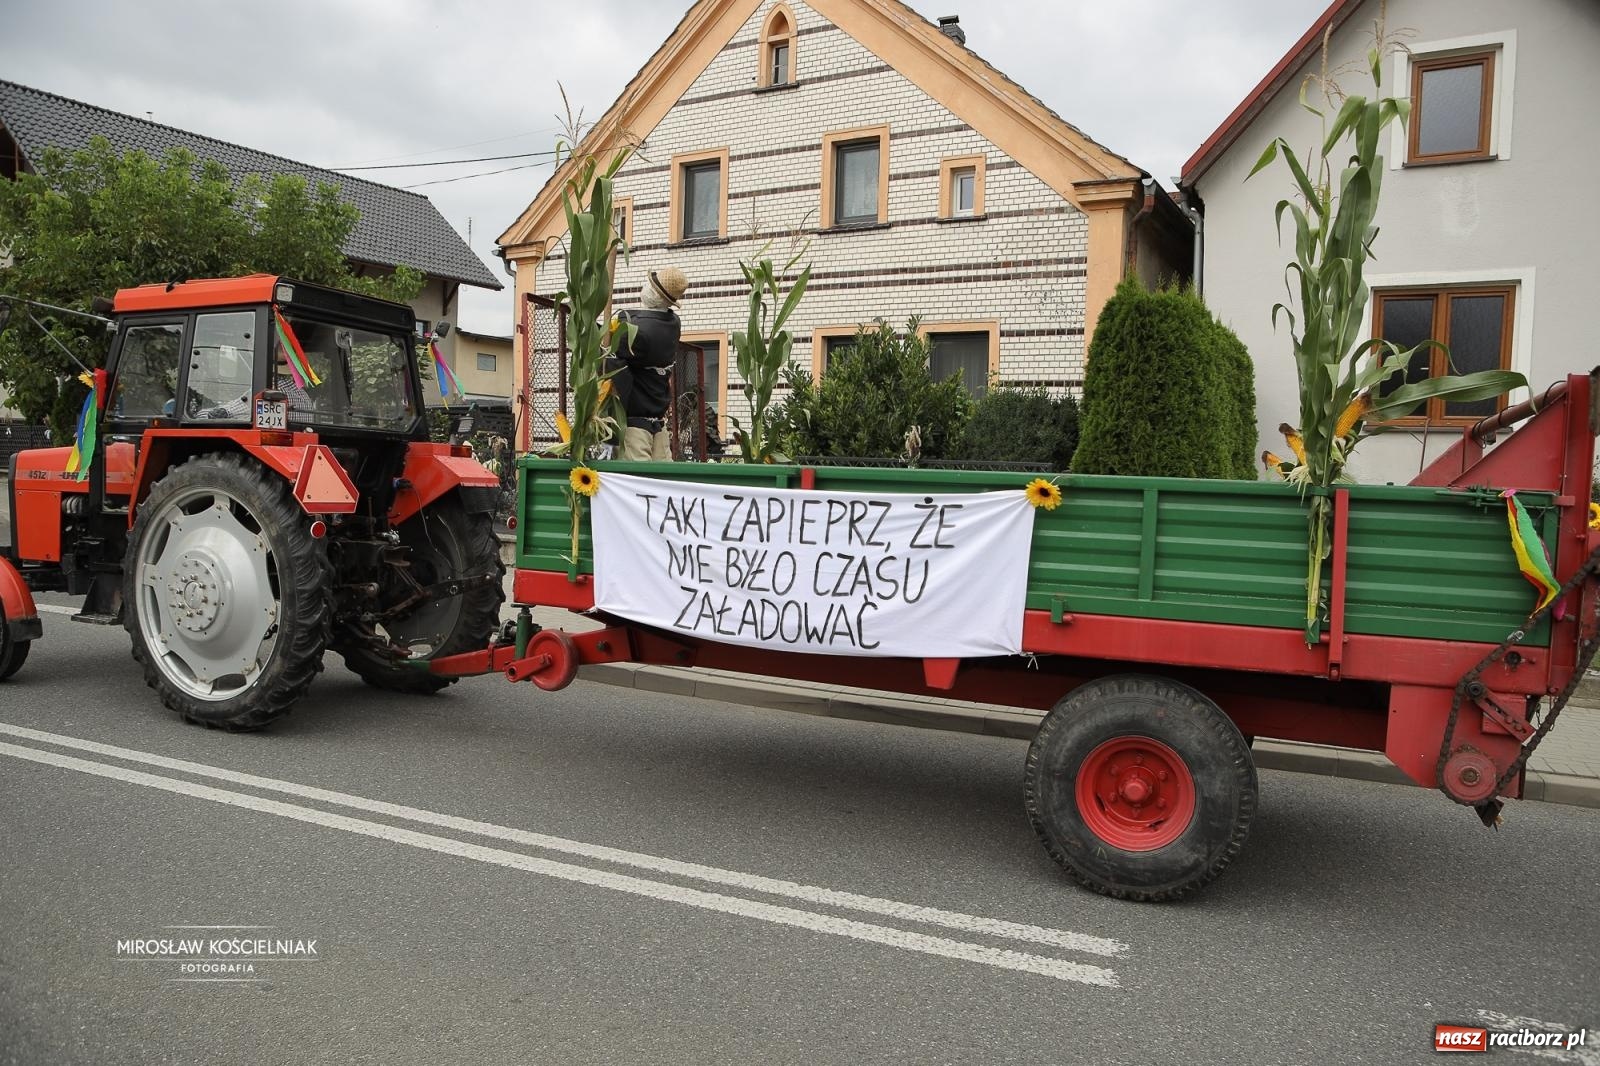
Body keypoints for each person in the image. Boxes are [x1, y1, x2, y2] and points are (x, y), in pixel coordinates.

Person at [612, 267, 688, 461]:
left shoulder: (639, 332)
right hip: (658, 426)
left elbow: (610, 351)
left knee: (636, 485)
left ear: (652, 293)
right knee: (662, 482)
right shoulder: (673, 323)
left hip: (635, 428)